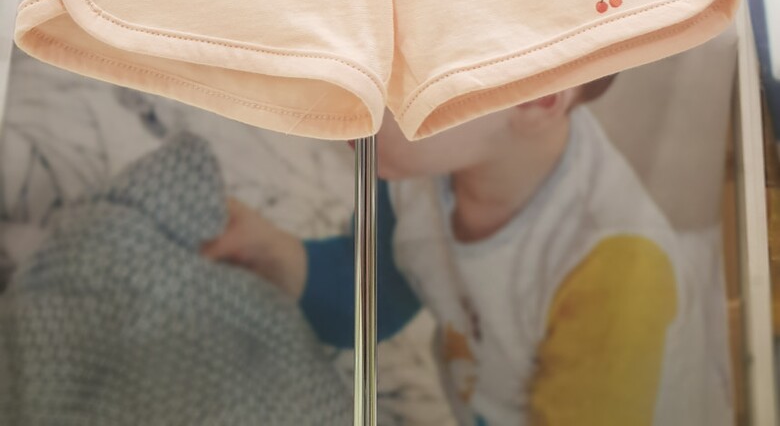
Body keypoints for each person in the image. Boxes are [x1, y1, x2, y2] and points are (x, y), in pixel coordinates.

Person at [202, 75, 732, 425]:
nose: (356, 91)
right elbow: (379, 291)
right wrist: (278, 256)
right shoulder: (418, 165)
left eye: (398, 76)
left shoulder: (613, 271)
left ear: (537, 98)